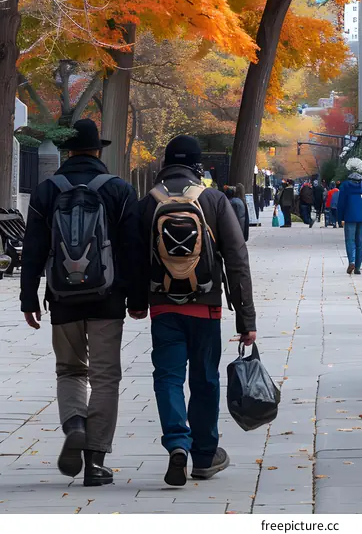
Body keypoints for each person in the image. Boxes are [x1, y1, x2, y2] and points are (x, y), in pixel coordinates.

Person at [19, 118, 145, 487]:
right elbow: (133, 248)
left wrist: (29, 298)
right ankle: (96, 460)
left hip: (62, 299)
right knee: (105, 376)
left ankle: (74, 423)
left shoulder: (47, 190)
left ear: (68, 151)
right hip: (108, 297)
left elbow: (33, 249)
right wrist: (136, 298)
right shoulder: (118, 189)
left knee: (70, 370)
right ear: (98, 150)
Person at [138, 135, 256, 487]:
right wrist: (246, 318)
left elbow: (131, 254)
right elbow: (237, 260)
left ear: (165, 162)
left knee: (168, 376)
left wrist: (135, 301)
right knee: (204, 379)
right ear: (197, 165)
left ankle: (177, 443)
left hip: (163, 306)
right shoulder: (214, 200)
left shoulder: (148, 203)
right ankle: (205, 456)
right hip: (205, 306)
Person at [337, 160, 362, 275]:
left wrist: (339, 218)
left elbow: (341, 203)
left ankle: (351, 261)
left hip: (349, 217)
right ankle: (358, 266)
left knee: (350, 240)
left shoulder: (345, 185)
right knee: (360, 242)